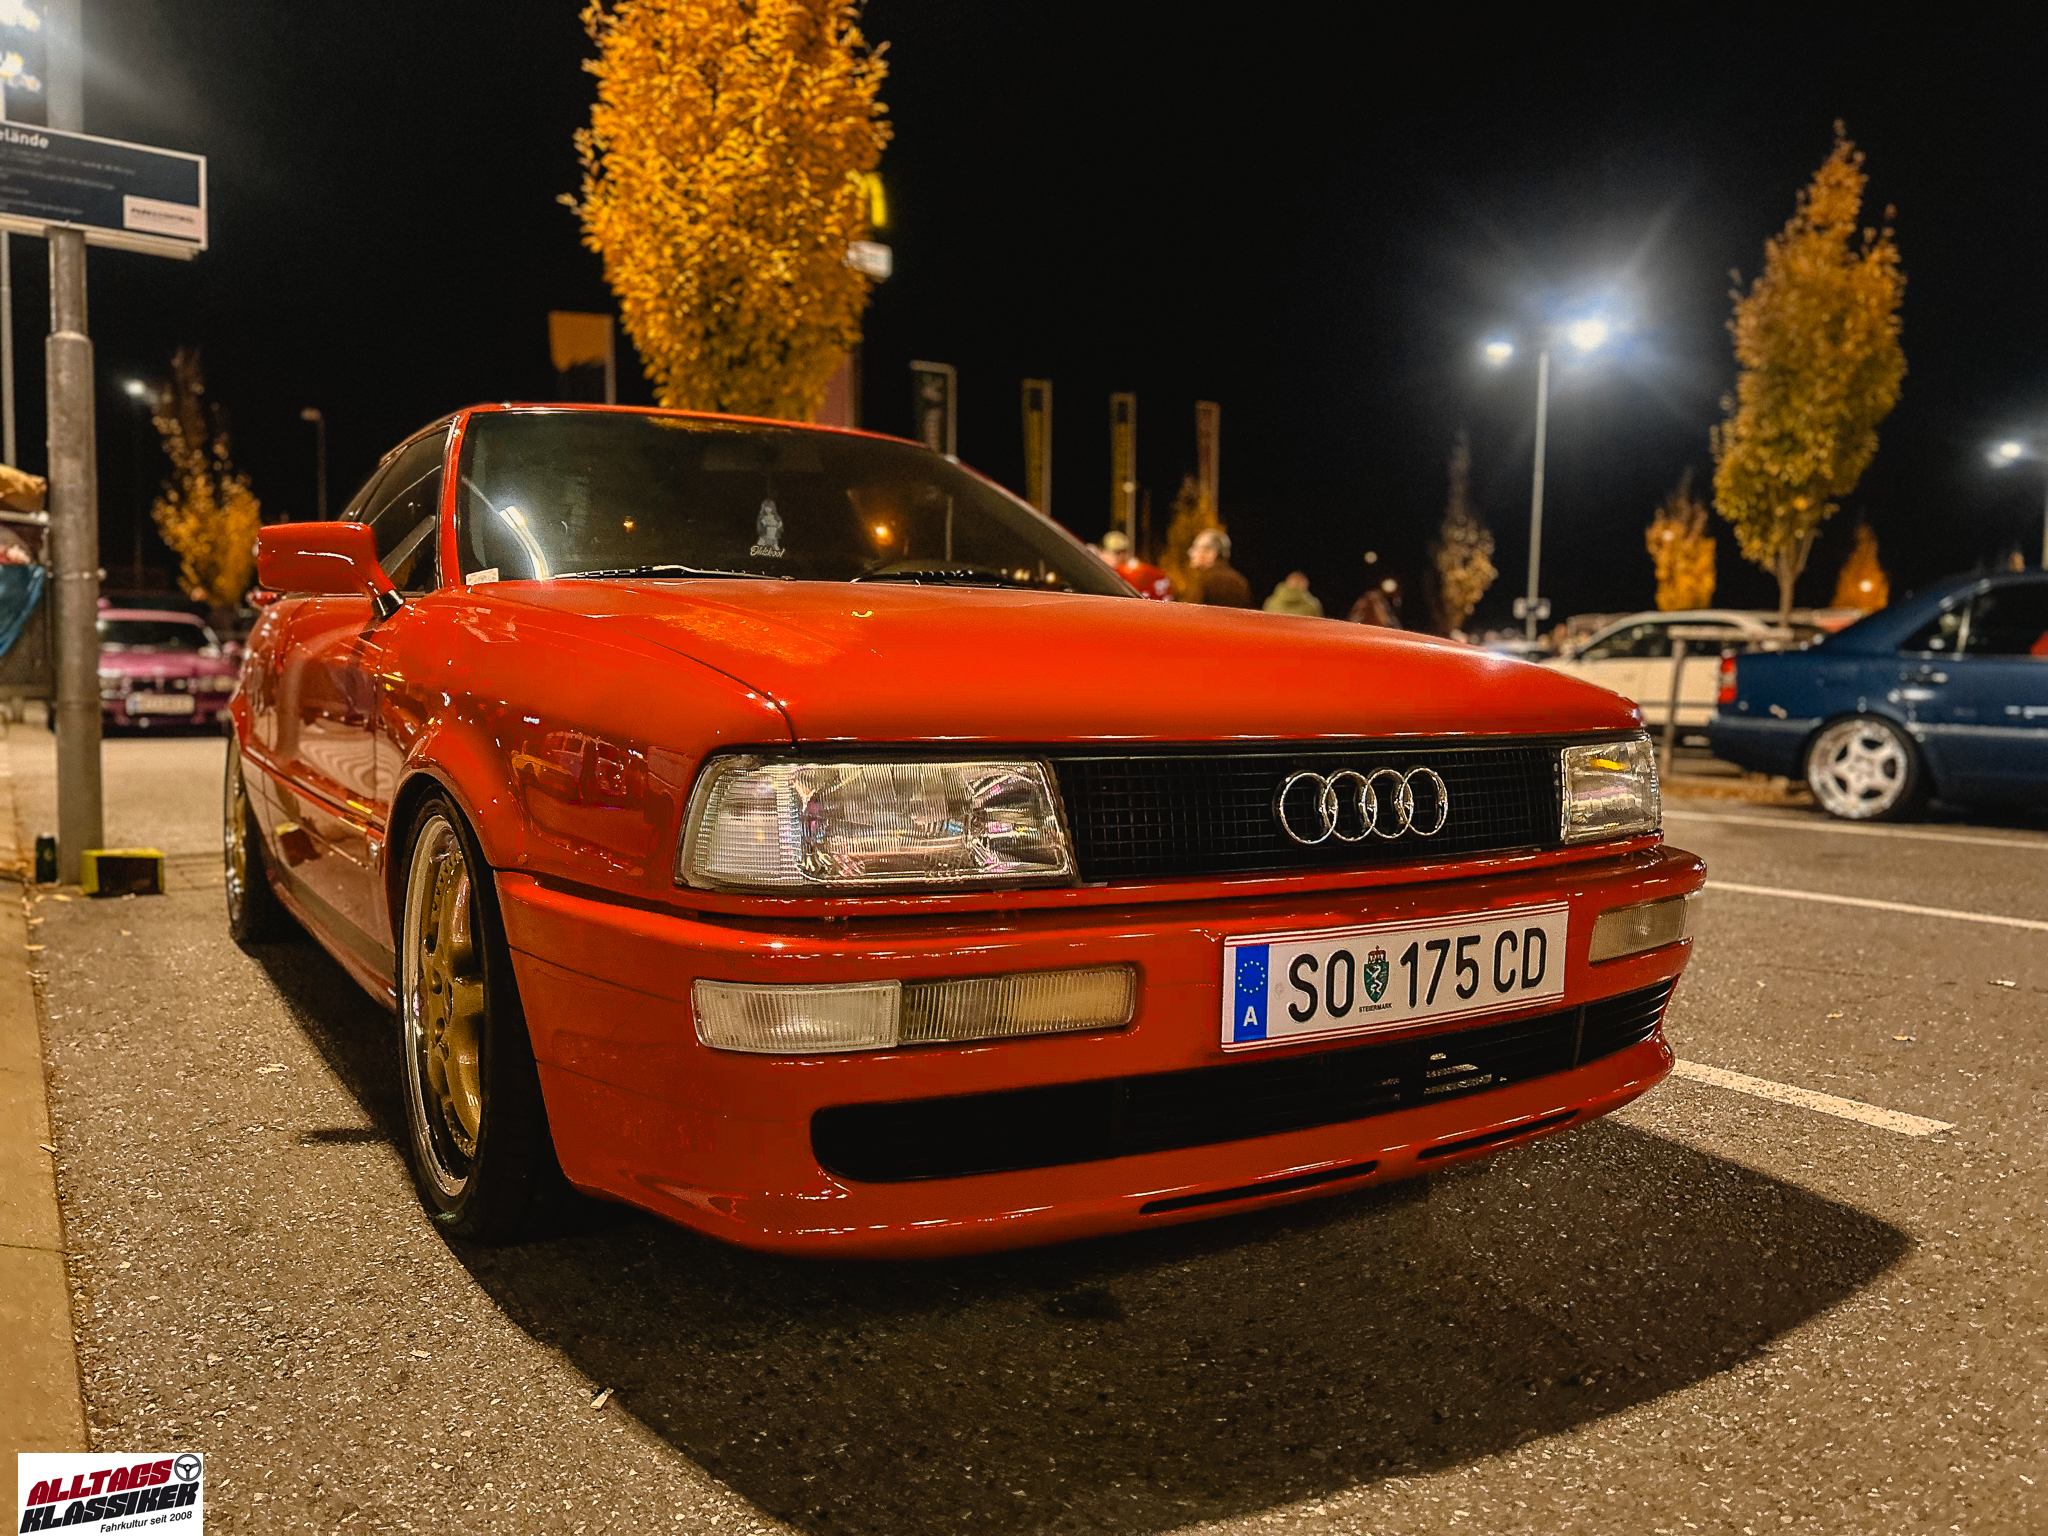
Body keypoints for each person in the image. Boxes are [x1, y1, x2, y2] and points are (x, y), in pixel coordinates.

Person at [1099, 529, 1172, 601]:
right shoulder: (1099, 574)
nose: (1120, 557)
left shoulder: (1135, 574)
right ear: (1101, 553)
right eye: (1116, 553)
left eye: (1122, 552)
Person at [1185, 528, 1251, 607]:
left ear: (1211, 554)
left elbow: (1190, 612)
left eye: (1196, 548)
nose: (1190, 552)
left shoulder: (1205, 580)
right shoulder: (1240, 582)